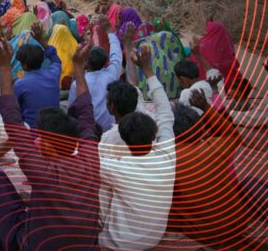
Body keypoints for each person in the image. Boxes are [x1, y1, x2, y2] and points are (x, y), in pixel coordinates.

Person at [0, 39, 101, 250]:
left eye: (40, 138)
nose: (35, 140)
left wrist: (4, 67)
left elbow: (12, 119)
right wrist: (78, 67)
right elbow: (86, 116)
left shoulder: (41, 170)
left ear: (46, 145)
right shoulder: (91, 159)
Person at [99, 44, 176, 250]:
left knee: (101, 189)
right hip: (154, 238)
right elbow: (165, 114)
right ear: (154, 135)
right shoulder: (167, 157)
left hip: (116, 244)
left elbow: (85, 162)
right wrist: (148, 70)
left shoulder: (116, 166)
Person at [169, 89, 267, 249]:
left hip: (206, 234)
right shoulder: (214, 146)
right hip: (237, 223)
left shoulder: (169, 160)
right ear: (199, 128)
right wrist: (207, 108)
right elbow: (233, 135)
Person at [67, 16, 123, 132]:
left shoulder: (77, 84)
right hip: (109, 129)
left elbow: (71, 110)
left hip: (87, 130)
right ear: (104, 63)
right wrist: (109, 31)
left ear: (87, 63)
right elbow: (116, 54)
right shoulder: (111, 76)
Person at [12, 22, 62, 127]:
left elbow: (13, 110)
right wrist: (41, 40)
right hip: (55, 127)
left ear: (24, 65)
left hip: (33, 131)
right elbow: (55, 58)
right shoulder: (54, 74)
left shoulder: (20, 84)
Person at [175, 36, 222, 110]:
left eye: (179, 81)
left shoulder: (187, 93)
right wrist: (198, 55)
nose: (180, 84)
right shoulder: (216, 82)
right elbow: (212, 71)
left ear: (184, 80)